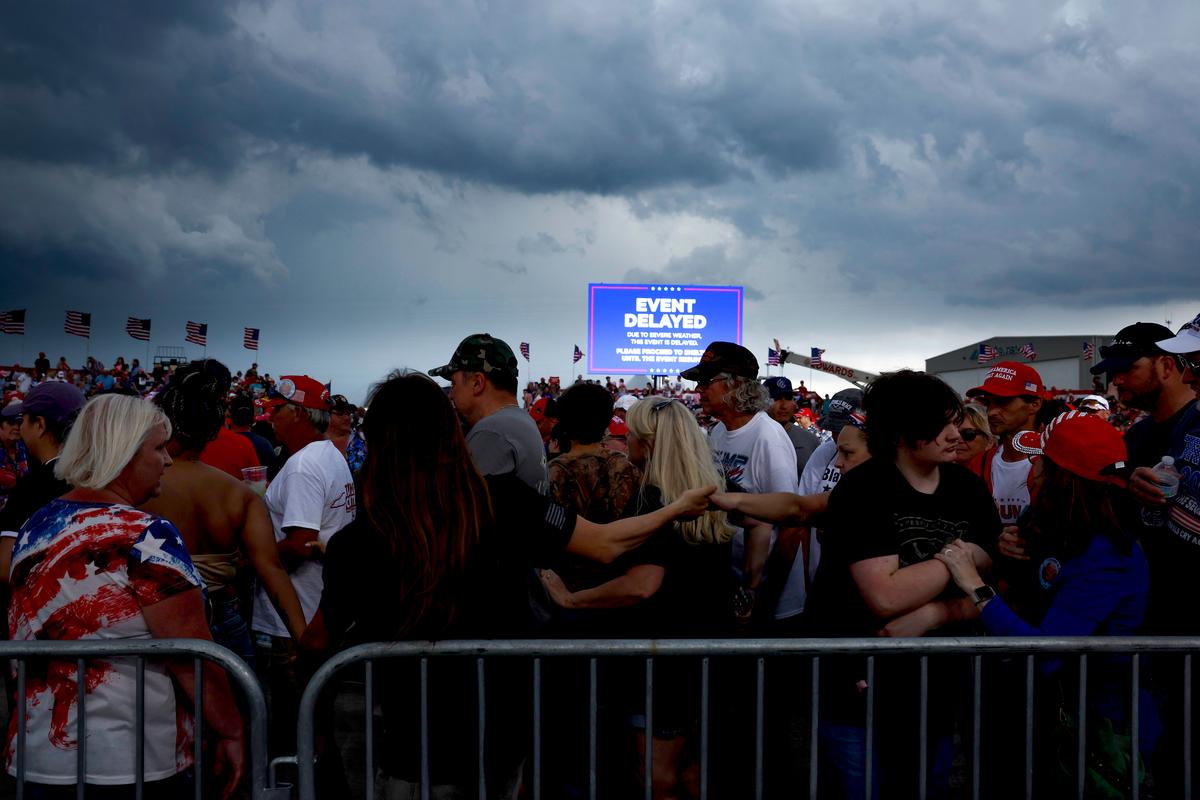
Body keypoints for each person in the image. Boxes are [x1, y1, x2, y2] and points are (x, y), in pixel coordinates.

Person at [298, 372, 715, 798]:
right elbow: (605, 545)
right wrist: (675, 509)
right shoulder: (501, 501)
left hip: (416, 741)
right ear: (451, 432)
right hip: (490, 733)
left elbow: (317, 640)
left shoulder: (361, 539)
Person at [6, 394, 245, 798]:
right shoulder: (148, 534)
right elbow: (191, 651)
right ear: (126, 453)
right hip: (132, 761)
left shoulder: (35, 524)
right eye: (158, 448)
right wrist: (232, 728)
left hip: (38, 756)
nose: (168, 460)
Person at [937, 410, 1160, 794]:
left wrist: (975, 587)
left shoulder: (1108, 553)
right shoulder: (1049, 521)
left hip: (1094, 728)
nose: (1034, 464)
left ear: (1065, 476)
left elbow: (1044, 649)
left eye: (1045, 458)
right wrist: (1006, 549)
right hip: (1040, 714)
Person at [803, 370, 1000, 799]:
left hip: (935, 689)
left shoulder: (967, 487)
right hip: (858, 690)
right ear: (903, 433)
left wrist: (936, 612)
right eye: (943, 424)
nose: (958, 433)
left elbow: (992, 585)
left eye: (957, 421)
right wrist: (959, 558)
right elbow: (886, 596)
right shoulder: (864, 489)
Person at [540, 396, 735, 799]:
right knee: (693, 771)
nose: (623, 437)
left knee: (657, 777)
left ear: (649, 441)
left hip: (664, 661)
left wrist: (572, 600)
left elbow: (642, 584)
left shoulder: (655, 499)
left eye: (630, 431)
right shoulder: (713, 491)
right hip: (709, 651)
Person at [140, 360, 307, 664]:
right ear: (214, 428)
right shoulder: (238, 495)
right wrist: (304, 639)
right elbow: (271, 569)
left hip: (155, 620)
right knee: (240, 708)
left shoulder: (138, 488)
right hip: (222, 617)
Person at [251, 373, 355, 758]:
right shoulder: (328, 453)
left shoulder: (302, 467)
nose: (270, 419)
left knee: (294, 734)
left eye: (276, 411)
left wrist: (254, 559)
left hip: (294, 618)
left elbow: (301, 543)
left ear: (296, 413)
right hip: (317, 608)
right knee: (315, 726)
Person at [680, 342, 796, 621]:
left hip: (760, 591)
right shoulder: (719, 431)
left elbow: (792, 524)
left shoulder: (768, 437)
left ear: (736, 385)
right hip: (730, 580)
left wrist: (762, 594)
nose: (698, 389)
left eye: (706, 381)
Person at [771, 387, 863, 628]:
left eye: (841, 428)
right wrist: (807, 584)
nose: (835, 436)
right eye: (832, 428)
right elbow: (800, 520)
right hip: (821, 582)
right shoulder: (825, 451)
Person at [431, 333, 548, 493]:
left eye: (454, 383)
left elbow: (466, 510)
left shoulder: (491, 433)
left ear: (477, 383)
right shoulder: (521, 420)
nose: (451, 394)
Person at [0, 383, 87, 580]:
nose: (20, 428)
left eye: (23, 421)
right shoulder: (98, 476)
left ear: (40, 425)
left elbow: (6, 568)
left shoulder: (32, 487)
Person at [965, 362, 1045, 554]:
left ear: (1034, 404)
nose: (991, 412)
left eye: (1003, 401)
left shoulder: (1059, 465)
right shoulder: (977, 463)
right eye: (989, 402)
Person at [763, 376, 821, 476]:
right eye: (776, 399)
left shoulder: (811, 440)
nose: (784, 406)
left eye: (789, 398)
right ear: (763, 402)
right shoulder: (752, 436)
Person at [0, 405, 29, 512]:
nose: (17, 427)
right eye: (11, 422)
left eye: (20, 423)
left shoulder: (22, 445)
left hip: (18, 506)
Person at [955, 403, 996, 471]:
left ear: (989, 441)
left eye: (968, 433)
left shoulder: (997, 476)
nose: (958, 440)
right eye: (955, 432)